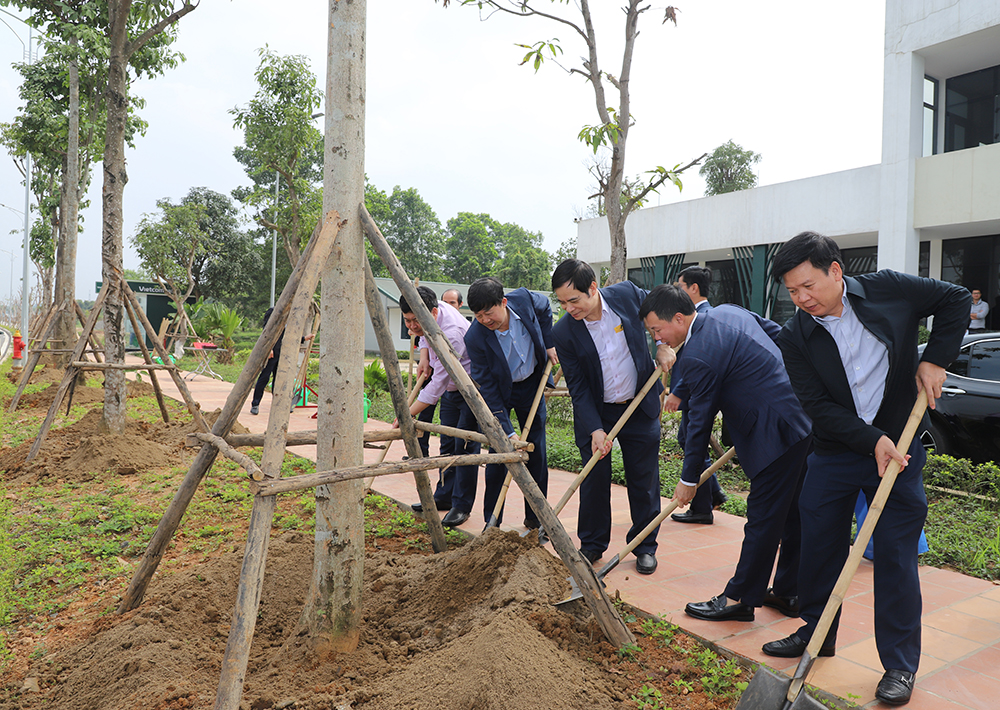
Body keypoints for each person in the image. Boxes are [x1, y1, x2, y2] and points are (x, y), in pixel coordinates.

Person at [763, 231, 970, 706]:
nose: (802, 299)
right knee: (818, 546)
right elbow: (817, 405)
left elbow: (956, 298)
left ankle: (899, 663)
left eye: (808, 286)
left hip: (899, 451)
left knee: (895, 558)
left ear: (836, 271)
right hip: (836, 453)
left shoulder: (889, 290)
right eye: (792, 292)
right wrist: (868, 439)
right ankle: (818, 631)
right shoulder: (795, 334)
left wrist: (936, 359)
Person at [640, 285, 811, 621]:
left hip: (773, 434)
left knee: (763, 517)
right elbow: (778, 335)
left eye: (657, 330)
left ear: (678, 317)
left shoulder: (699, 354)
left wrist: (689, 479)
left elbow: (699, 422)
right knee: (792, 514)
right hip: (799, 419)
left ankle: (739, 599)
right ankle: (790, 592)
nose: (658, 339)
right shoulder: (727, 311)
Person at [551, 259, 663, 575]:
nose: (569, 308)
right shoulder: (564, 332)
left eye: (574, 300)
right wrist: (595, 429)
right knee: (594, 482)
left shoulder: (628, 294)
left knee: (643, 481)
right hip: (599, 413)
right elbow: (579, 387)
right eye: (562, 302)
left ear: (593, 288)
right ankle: (592, 544)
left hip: (639, 407)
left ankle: (644, 545)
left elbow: (661, 313)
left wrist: (663, 344)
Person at [464, 277, 558, 529]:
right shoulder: (475, 337)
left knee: (536, 452)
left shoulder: (525, 300)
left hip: (531, 386)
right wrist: (509, 432)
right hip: (502, 392)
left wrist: (549, 344)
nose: (484, 320)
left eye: (488, 313)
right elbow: (488, 389)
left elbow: (546, 307)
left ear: (503, 302)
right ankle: (492, 521)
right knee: (499, 454)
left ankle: (537, 519)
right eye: (478, 315)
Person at [398, 285, 480, 528]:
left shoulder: (452, 332)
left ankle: (461, 505)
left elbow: (435, 387)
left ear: (432, 313)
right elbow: (424, 333)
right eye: (407, 320)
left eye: (415, 320)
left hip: (470, 388)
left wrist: (404, 415)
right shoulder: (430, 309)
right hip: (451, 389)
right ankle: (443, 497)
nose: (411, 325)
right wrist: (424, 355)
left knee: (464, 446)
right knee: (446, 443)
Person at [664, 266, 727, 523]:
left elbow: (702, 361)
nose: (678, 291)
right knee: (688, 441)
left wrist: (678, 392)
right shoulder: (692, 316)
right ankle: (712, 493)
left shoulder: (705, 317)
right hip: (692, 393)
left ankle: (703, 506)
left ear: (693, 288)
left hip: (697, 394)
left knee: (693, 444)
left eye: (681, 286)